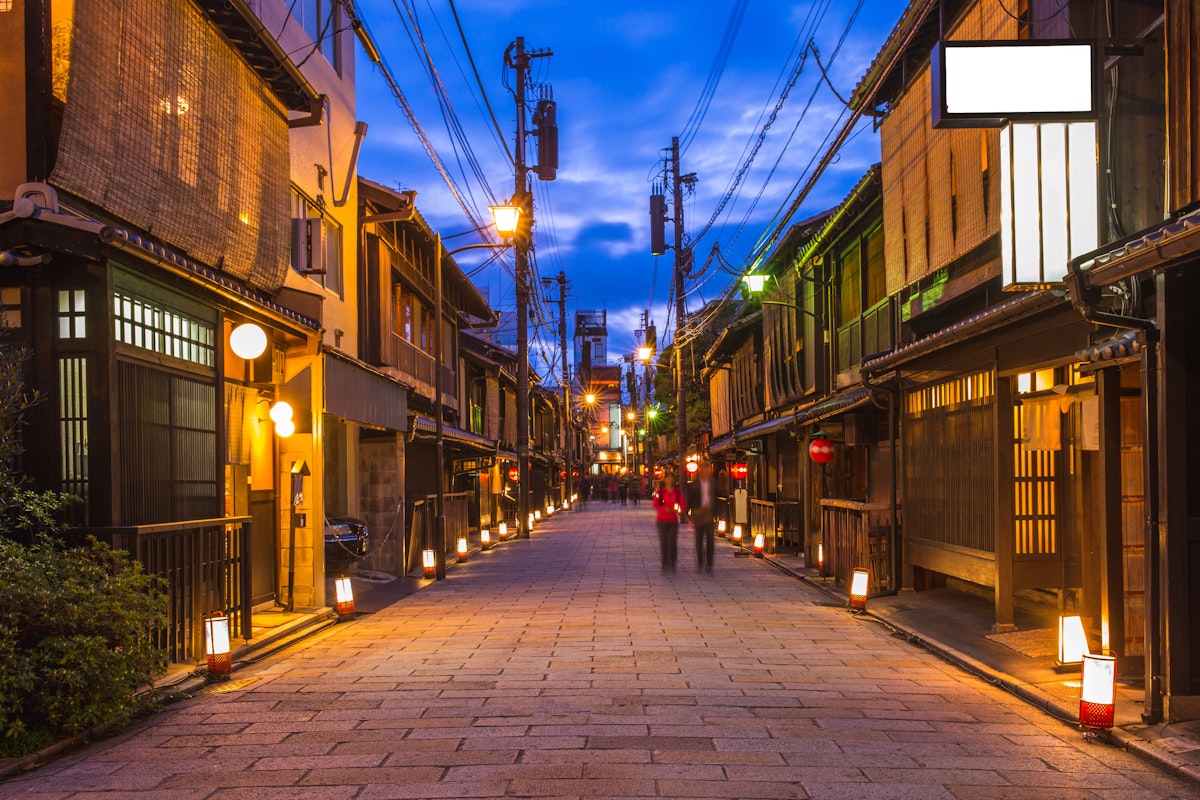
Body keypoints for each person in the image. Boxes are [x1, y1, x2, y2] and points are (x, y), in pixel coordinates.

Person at [686, 460, 719, 573]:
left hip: (709, 512)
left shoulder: (713, 483)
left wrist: (718, 513)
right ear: (701, 471)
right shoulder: (695, 483)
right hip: (698, 512)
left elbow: (718, 498)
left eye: (708, 469)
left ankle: (709, 563)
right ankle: (700, 561)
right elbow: (690, 498)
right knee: (699, 539)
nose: (706, 471)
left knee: (710, 539)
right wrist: (687, 512)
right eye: (704, 469)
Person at [652, 473, 685, 571]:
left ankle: (673, 560)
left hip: (673, 520)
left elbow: (682, 504)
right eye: (668, 478)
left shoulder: (677, 492)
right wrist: (664, 510)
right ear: (664, 479)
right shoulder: (661, 492)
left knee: (672, 541)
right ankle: (664, 561)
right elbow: (655, 504)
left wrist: (676, 510)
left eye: (671, 478)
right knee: (664, 541)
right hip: (662, 519)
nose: (670, 480)